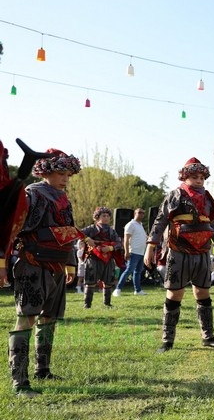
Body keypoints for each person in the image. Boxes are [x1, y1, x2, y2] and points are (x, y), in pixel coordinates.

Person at [9, 149, 85, 396]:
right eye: (60, 173)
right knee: (27, 317)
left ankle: (43, 369)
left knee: (49, 318)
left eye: (68, 174)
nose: (65, 178)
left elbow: (69, 231)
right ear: (46, 172)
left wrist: (71, 261)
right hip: (33, 262)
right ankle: (20, 382)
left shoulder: (64, 198)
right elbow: (15, 226)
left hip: (57, 264)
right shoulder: (33, 193)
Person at [144, 157, 214, 353]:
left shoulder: (207, 198)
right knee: (175, 293)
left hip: (203, 252)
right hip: (178, 251)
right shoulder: (174, 195)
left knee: (203, 292)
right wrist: (151, 246)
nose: (199, 181)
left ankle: (208, 337)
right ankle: (167, 341)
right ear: (185, 176)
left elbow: (212, 223)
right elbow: (160, 221)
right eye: (194, 177)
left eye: (201, 177)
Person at [81, 206, 124, 308]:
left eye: (108, 216)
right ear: (97, 217)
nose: (106, 218)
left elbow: (118, 243)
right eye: (103, 215)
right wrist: (87, 239)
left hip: (108, 258)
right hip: (93, 257)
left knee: (109, 281)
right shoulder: (91, 228)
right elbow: (77, 233)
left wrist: (110, 248)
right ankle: (87, 304)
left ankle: (107, 303)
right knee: (90, 281)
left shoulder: (112, 231)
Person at [113, 208, 148, 297]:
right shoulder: (130, 224)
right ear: (135, 214)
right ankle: (118, 289)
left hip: (141, 252)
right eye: (139, 212)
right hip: (134, 251)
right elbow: (126, 240)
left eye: (143, 213)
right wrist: (127, 252)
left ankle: (138, 290)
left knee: (137, 272)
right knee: (128, 270)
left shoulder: (140, 225)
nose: (141, 214)